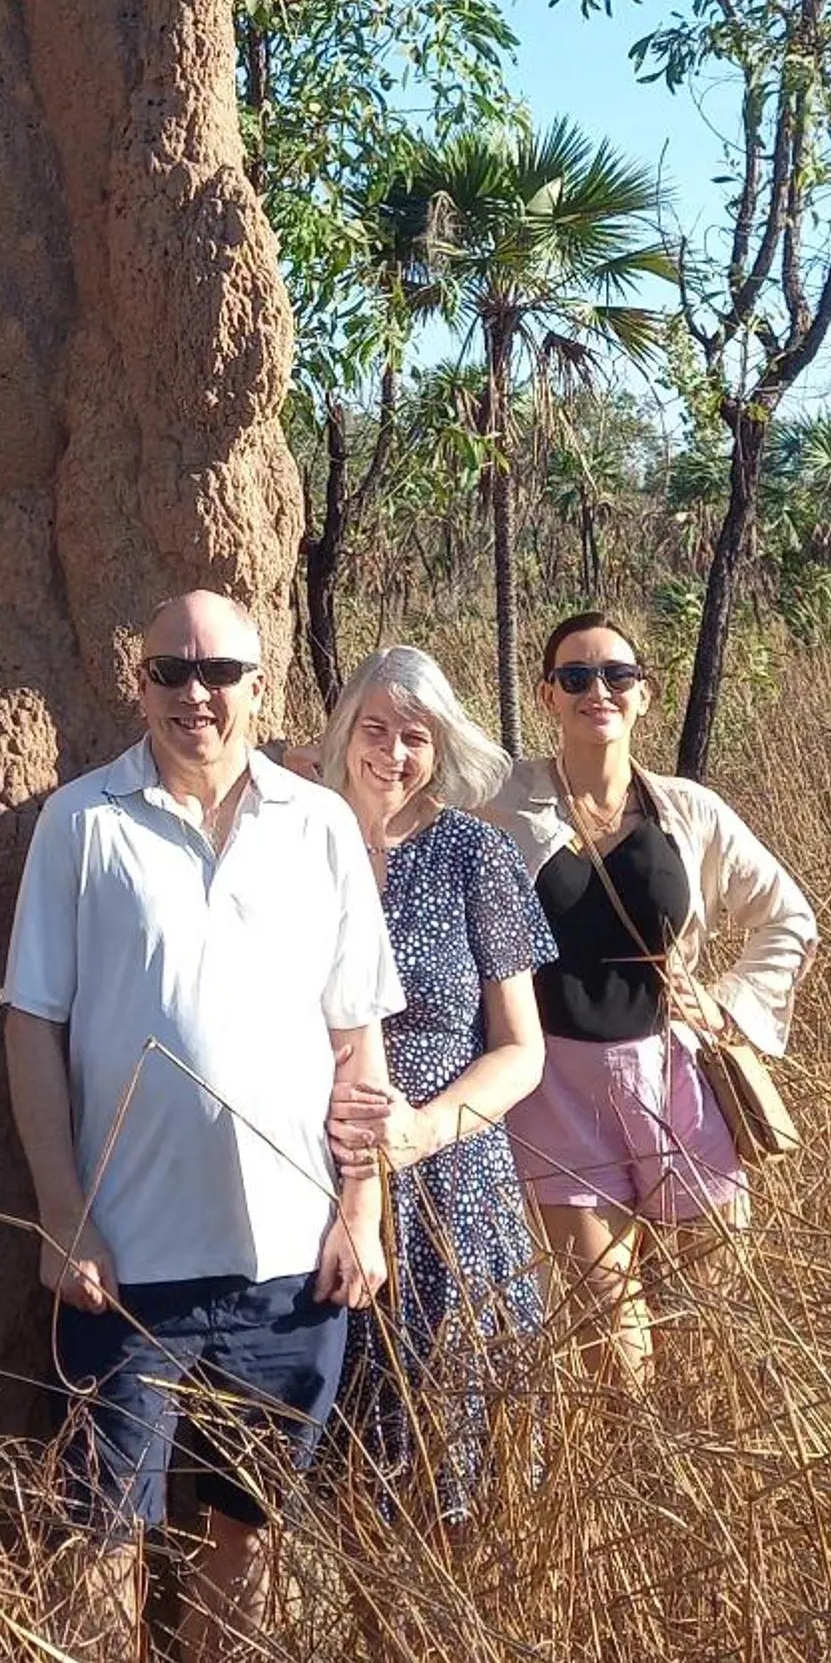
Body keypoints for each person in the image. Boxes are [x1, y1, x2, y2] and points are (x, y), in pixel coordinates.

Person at [2, 589, 400, 1663]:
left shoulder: (317, 824)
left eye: (219, 672)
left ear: (259, 686)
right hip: (125, 1264)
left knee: (248, 1535)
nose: (195, 694)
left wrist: (359, 1209)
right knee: (98, 1535)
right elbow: (31, 1024)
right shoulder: (81, 820)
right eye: (169, 671)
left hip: (289, 1264)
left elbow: (354, 1043)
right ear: (138, 684)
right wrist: (60, 1213)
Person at [488, 610, 817, 1382]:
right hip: (556, 1092)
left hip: (674, 1079)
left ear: (643, 695)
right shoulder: (504, 801)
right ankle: (621, 1496)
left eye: (616, 676)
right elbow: (403, 776)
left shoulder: (688, 810)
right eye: (575, 677)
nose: (596, 690)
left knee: (708, 1330)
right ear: (546, 696)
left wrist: (726, 1006)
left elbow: (788, 916)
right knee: (616, 1356)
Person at [316, 645, 554, 1528]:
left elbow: (522, 1052)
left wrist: (420, 1131)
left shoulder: (472, 853)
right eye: (374, 729)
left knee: (451, 1459)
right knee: (326, 1453)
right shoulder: (299, 838)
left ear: (440, 746)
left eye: (414, 735)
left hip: (453, 1187)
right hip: (315, 1179)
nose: (392, 753)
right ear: (343, 734)